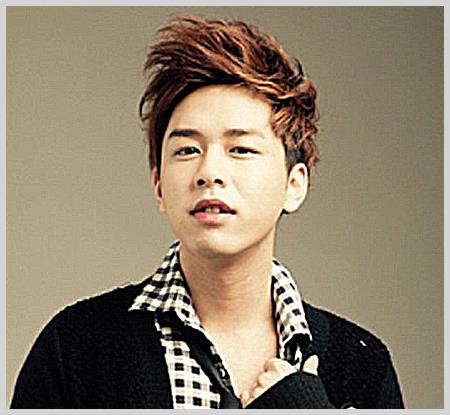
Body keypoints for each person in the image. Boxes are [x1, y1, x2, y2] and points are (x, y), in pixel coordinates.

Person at [10, 15, 404, 409]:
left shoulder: (362, 363)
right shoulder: (77, 349)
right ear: (159, 186)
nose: (209, 172)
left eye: (241, 149)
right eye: (186, 150)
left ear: (294, 184)